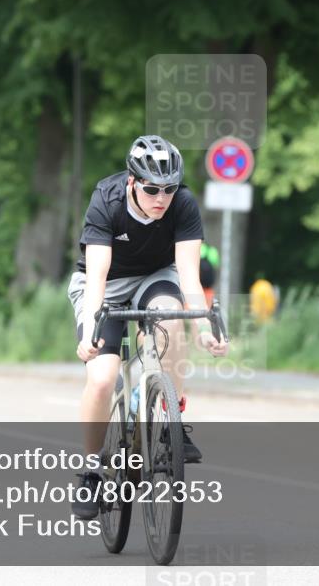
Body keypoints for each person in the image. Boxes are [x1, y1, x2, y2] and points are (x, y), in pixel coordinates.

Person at [68, 135, 228, 520]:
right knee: (102, 379)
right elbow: (97, 276)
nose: (162, 198)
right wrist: (90, 331)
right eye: (152, 189)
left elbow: (189, 275)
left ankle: (173, 421)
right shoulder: (106, 200)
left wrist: (203, 328)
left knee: (171, 319)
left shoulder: (183, 204)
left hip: (155, 278)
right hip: (106, 286)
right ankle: (91, 471)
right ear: (132, 182)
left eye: (169, 189)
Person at [199, 242, 220, 308]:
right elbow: (216, 266)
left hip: (196, 284)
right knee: (207, 307)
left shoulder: (197, 248)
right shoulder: (213, 251)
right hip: (208, 287)